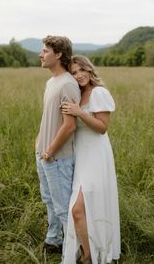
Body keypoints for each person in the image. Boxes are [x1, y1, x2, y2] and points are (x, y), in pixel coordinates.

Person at [62, 55, 121, 264]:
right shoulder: (77, 95)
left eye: (81, 70)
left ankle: (90, 257)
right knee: (82, 209)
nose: (78, 76)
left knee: (78, 209)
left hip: (96, 155)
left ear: (89, 69)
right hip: (81, 157)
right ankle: (89, 252)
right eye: (74, 73)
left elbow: (102, 128)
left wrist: (79, 113)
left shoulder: (99, 93)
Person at [35, 36, 81, 260]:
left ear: (59, 55)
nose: (40, 54)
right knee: (49, 200)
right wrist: (39, 143)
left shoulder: (68, 84)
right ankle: (54, 240)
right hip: (43, 154)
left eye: (45, 51)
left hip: (58, 157)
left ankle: (73, 254)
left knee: (63, 208)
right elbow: (49, 118)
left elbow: (69, 126)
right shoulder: (51, 81)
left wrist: (51, 151)